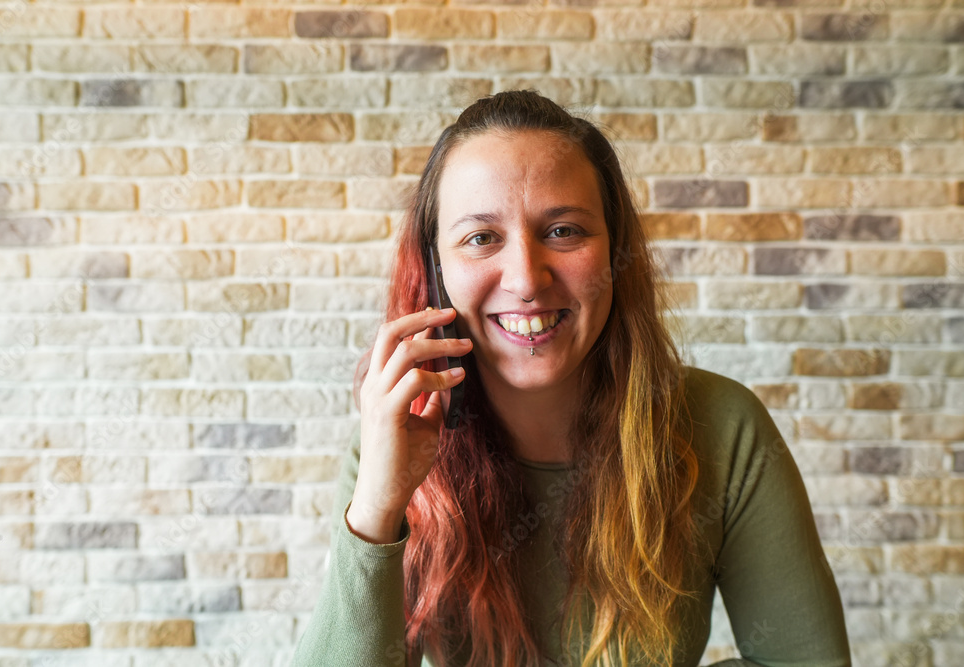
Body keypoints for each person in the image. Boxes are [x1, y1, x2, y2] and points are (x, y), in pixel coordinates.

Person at [292, 90, 851, 667]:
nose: (526, 280)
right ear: (436, 271)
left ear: (615, 251)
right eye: (481, 238)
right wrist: (377, 511)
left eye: (563, 231)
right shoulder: (396, 439)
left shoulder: (722, 427)